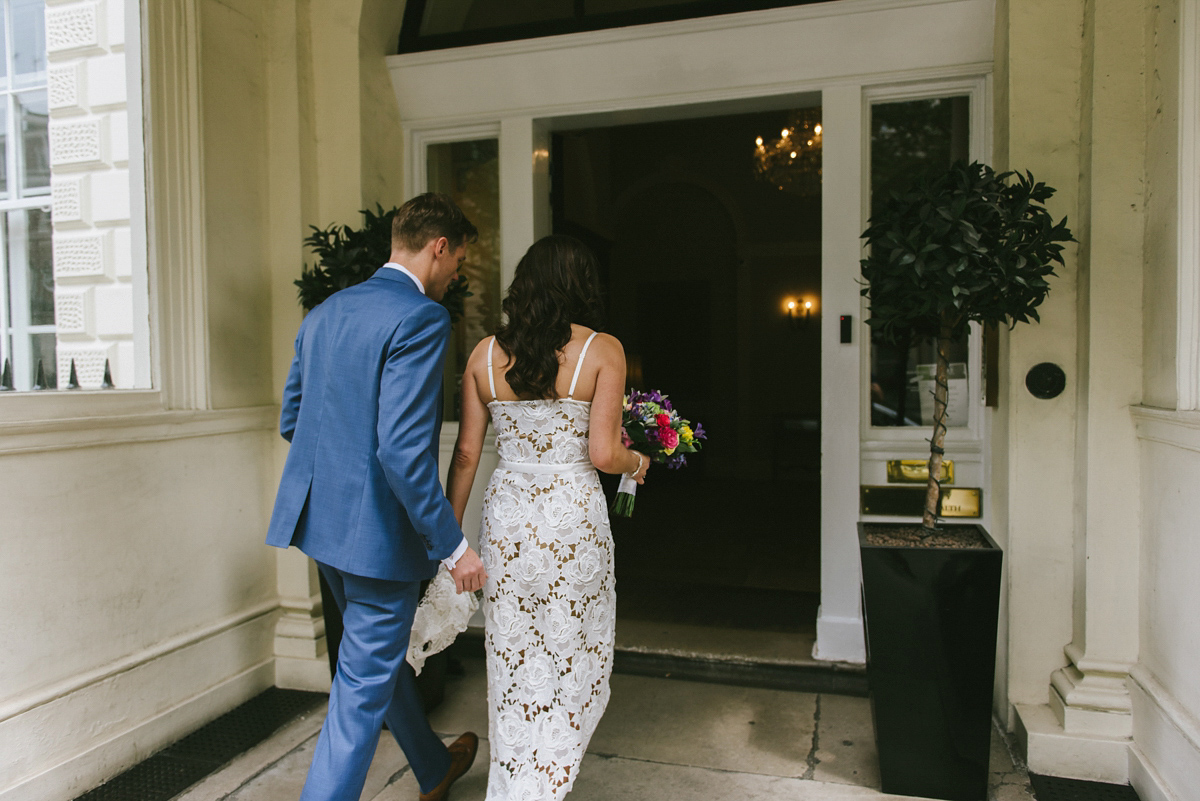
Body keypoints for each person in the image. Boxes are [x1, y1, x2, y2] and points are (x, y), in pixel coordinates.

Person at [266, 193, 488, 801]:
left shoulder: (326, 312)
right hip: (377, 540)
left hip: (321, 527)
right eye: (459, 259)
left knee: (371, 660)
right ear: (438, 247)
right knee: (359, 691)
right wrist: (454, 548)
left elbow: (294, 420)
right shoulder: (420, 319)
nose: (458, 274)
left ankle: (433, 766)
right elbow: (402, 453)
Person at [447, 235, 650, 800]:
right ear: (582, 285)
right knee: (572, 650)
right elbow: (605, 456)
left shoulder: (483, 355)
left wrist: (448, 539)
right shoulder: (602, 350)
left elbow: (466, 454)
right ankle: (548, 781)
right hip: (570, 521)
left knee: (512, 654)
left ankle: (516, 784)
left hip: (508, 516)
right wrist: (641, 462)